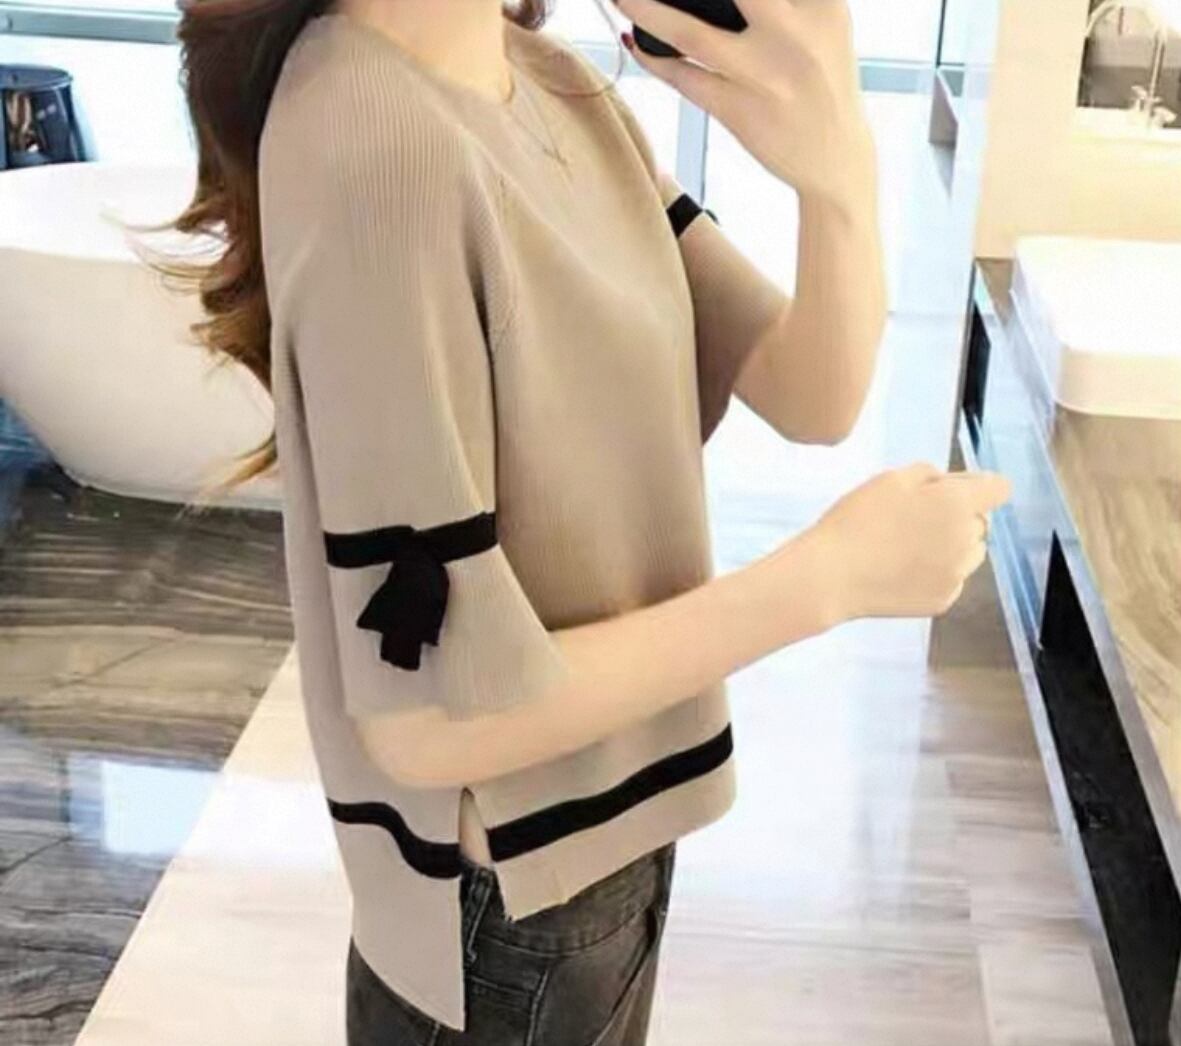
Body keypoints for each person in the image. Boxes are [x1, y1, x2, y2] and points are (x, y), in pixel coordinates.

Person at [155, 0, 1012, 1042]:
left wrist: (837, 176)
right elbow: (430, 724)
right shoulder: (376, 146)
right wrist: (825, 580)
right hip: (507, 900)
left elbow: (809, 390)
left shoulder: (547, 83)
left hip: (601, 847)